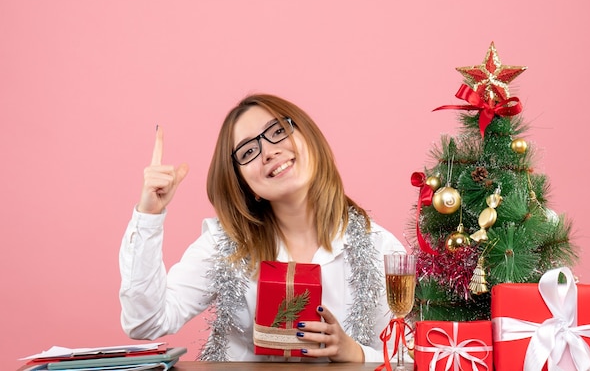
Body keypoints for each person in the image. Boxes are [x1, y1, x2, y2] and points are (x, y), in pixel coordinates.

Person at [119, 93, 407, 363]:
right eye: (248, 151)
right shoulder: (226, 245)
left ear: (309, 138)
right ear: (246, 184)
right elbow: (146, 322)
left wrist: (354, 353)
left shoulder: (380, 248)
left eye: (278, 131)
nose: (268, 151)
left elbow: (409, 356)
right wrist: (149, 215)